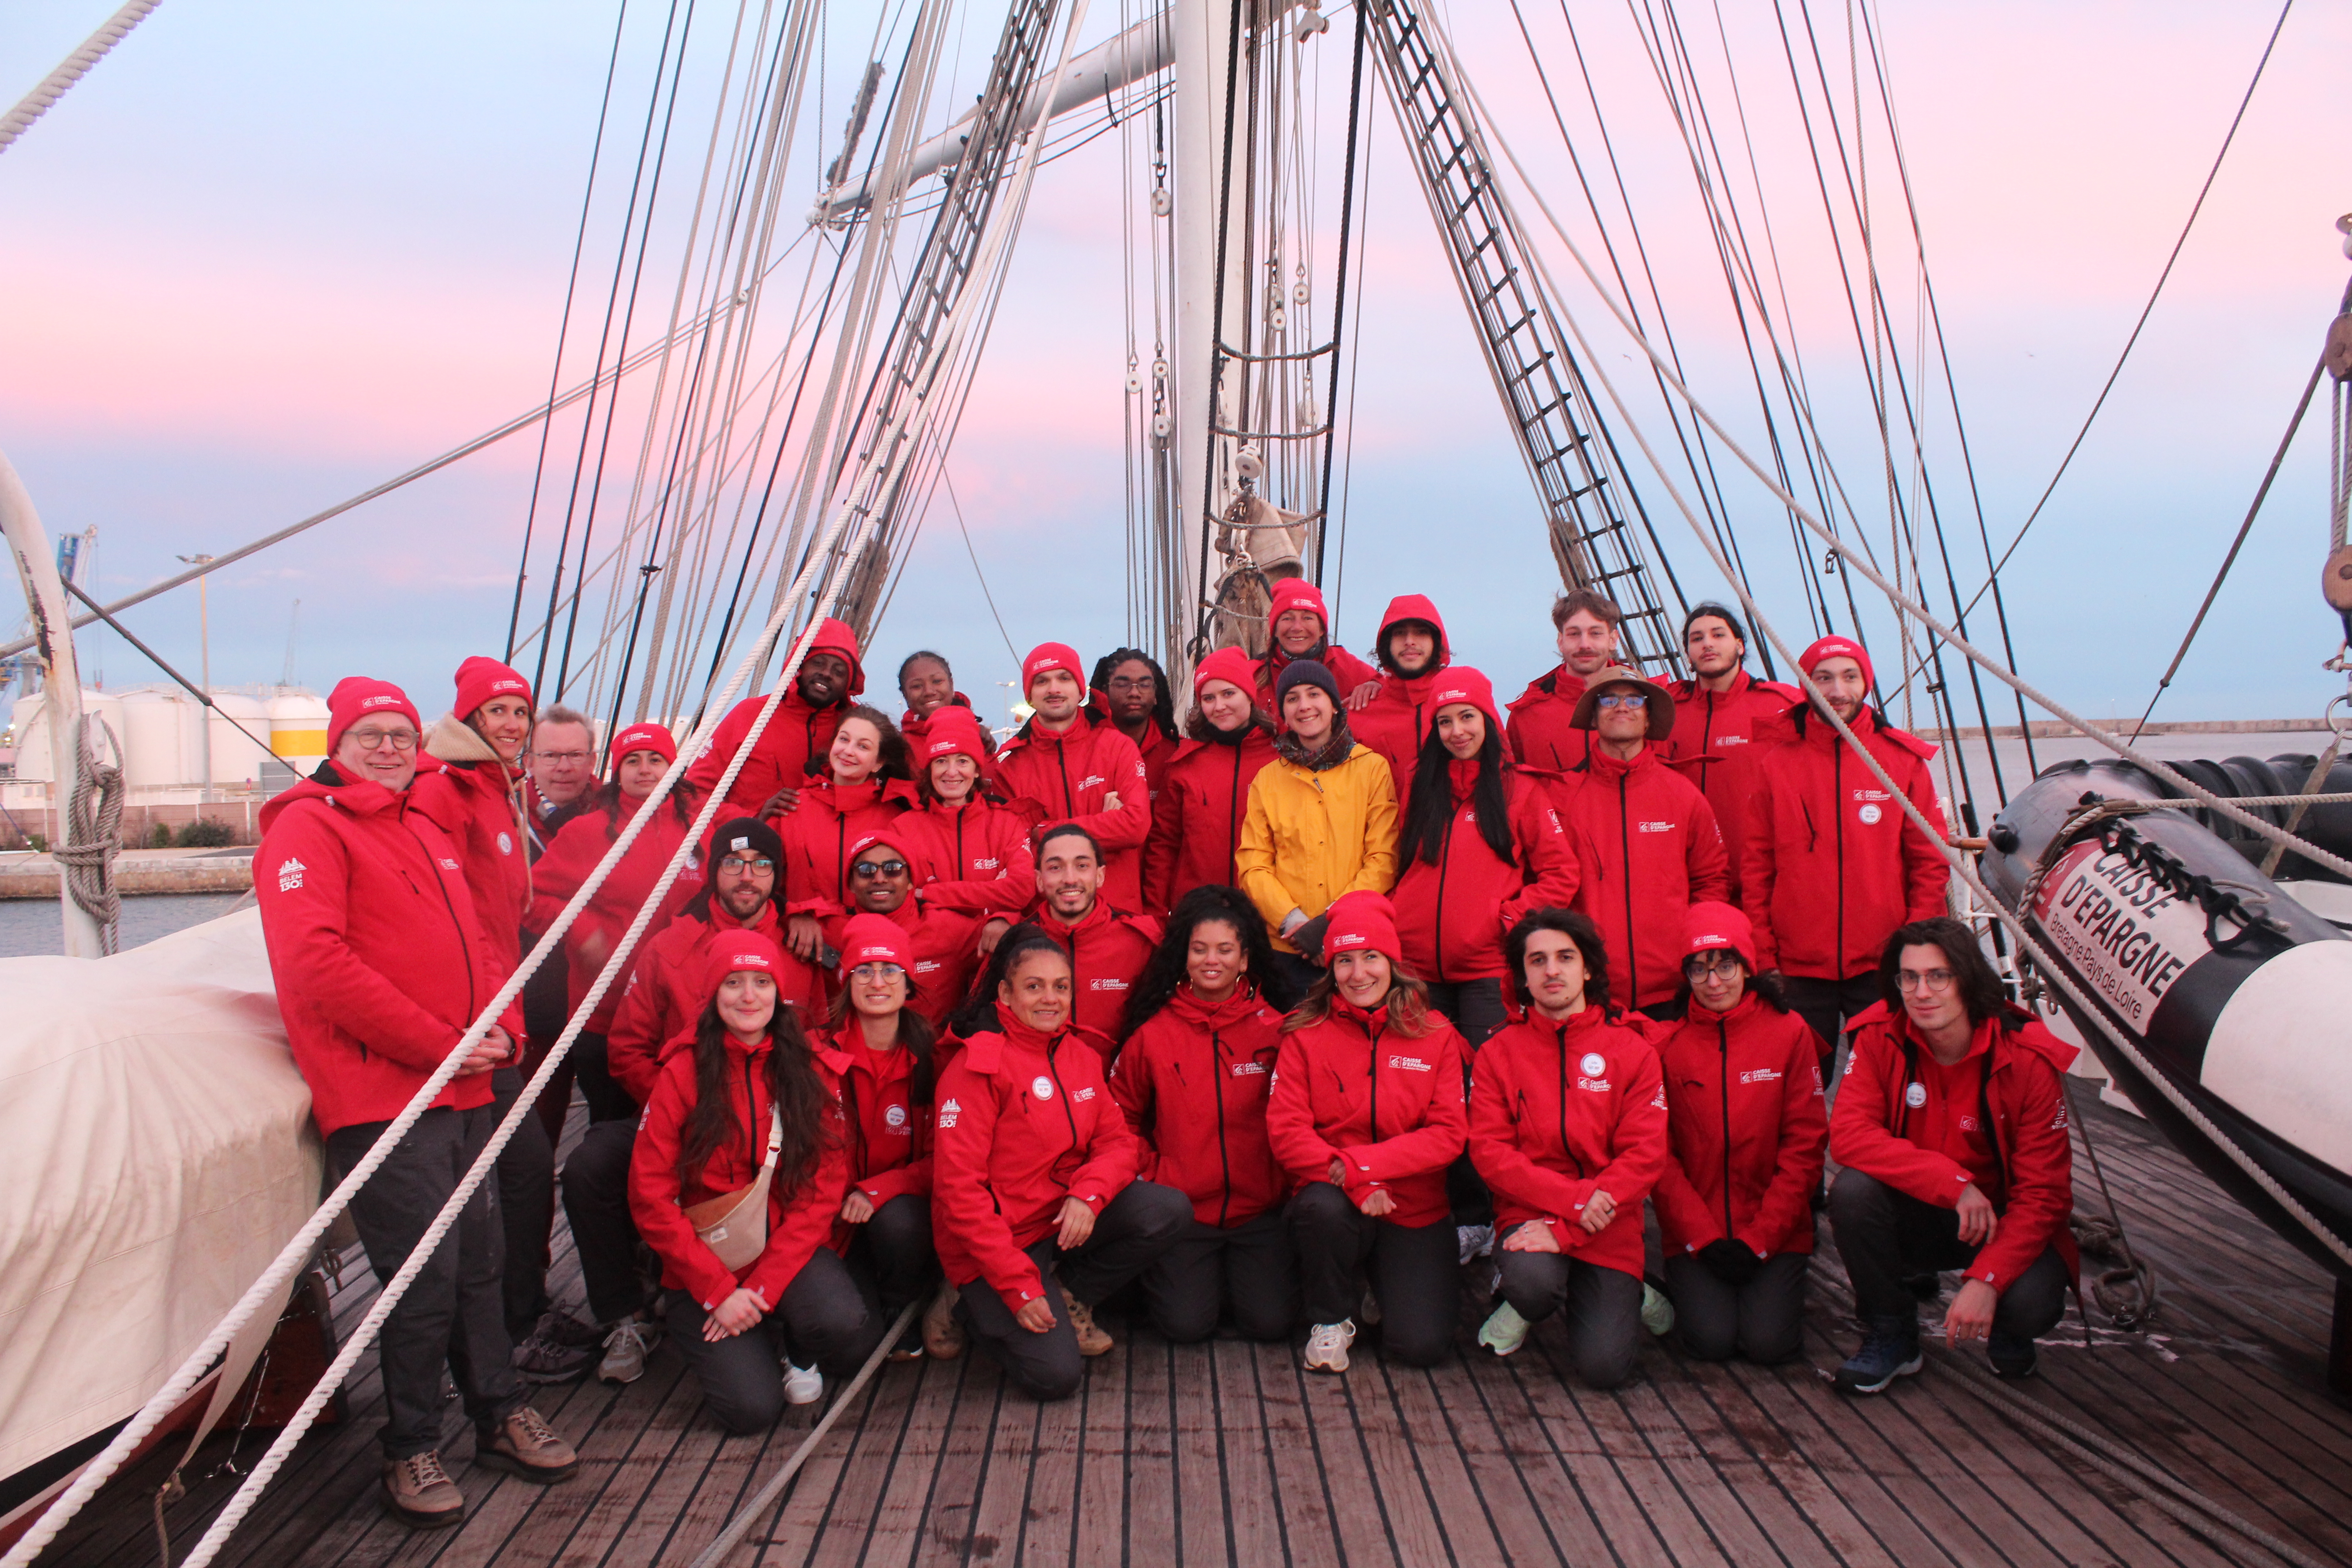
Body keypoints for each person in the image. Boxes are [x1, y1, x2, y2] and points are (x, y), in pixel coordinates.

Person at [255, 677, 575, 1527]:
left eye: (402, 732)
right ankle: (410, 1447)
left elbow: (480, 937)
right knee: (418, 1278)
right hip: (386, 1094)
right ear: (337, 740)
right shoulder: (306, 829)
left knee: (481, 1259)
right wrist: (442, 1044)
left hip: (466, 1077)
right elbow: (316, 965)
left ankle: (496, 1411)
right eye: (370, 734)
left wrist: (503, 1026)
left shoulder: (420, 825)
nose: (391, 747)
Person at [568, 816, 814, 1386]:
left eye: (761, 865)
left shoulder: (806, 946)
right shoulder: (668, 948)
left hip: (777, 1122)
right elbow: (627, 1050)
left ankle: (796, 1310)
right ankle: (627, 1315)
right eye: (733, 864)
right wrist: (687, 1112)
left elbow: (820, 1042)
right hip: (682, 1117)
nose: (747, 876)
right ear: (713, 872)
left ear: (777, 876)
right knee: (590, 1168)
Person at [410, 658, 587, 1384]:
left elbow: (508, 910)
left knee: (517, 1174)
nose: (512, 724)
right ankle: (497, 1337)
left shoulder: (493, 789)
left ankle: (519, 1313)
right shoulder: (441, 791)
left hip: (497, 1016)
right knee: (490, 1185)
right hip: (464, 1023)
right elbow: (447, 916)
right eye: (499, 712)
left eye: (520, 711)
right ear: (469, 718)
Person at [628, 931, 886, 1430]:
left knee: (848, 1333)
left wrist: (764, 1287)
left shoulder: (807, 1068)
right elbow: (649, 1196)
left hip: (781, 1251)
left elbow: (822, 1192)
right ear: (713, 992)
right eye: (734, 982)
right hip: (704, 1261)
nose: (749, 996)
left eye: (762, 982)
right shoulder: (682, 1071)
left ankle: (785, 1333)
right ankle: (748, 1332)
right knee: (750, 1411)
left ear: (778, 992)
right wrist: (718, 1292)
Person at [931, 928, 1191, 1400]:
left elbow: (1117, 1142)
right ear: (1006, 994)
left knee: (1166, 1210)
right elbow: (958, 1193)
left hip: (1060, 1220)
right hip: (999, 1242)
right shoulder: (976, 1068)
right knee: (1055, 1377)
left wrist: (1089, 1196)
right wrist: (1016, 1286)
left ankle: (1067, 1291)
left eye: (1061, 986)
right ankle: (965, 1302)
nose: (1050, 998)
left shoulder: (1079, 1054)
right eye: (1034, 987)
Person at [1828, 919, 2078, 1394]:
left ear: (1968, 978)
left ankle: (2006, 1324)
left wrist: (1988, 1279)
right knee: (1853, 1193)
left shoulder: (2026, 1059)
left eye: (1938, 976)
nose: (1922, 992)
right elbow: (1848, 1135)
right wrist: (1954, 1183)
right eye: (1910, 978)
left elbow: (2045, 1195)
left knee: (2031, 1304)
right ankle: (1892, 1332)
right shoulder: (1880, 1037)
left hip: (2002, 1220)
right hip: (1926, 1212)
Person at [1267, 892, 1468, 1372]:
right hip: (1336, 1197)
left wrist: (1365, 1166)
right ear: (1330, 968)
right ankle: (1331, 1318)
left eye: (1371, 957)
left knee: (1421, 1347)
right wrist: (1358, 1181)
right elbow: (1287, 1131)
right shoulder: (1305, 1033)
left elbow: (1448, 1134)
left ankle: (1382, 1286)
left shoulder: (1436, 1033)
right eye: (1345, 961)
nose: (1359, 975)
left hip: (1412, 1206)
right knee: (1321, 1209)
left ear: (1392, 962)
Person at [1466, 910, 1666, 1388]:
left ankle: (1631, 1294)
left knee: (1604, 1370)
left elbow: (1644, 1156)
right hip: (1529, 1215)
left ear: (1588, 969)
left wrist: (1567, 1229)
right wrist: (1570, 1204)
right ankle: (1540, 1296)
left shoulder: (1632, 1051)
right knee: (1533, 1284)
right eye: (1538, 961)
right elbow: (1490, 1153)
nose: (1552, 971)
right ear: (1524, 976)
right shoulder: (1498, 1052)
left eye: (1565, 958)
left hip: (1610, 1220)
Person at [1741, 634, 1950, 1062]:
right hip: (1797, 969)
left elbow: (1929, 862)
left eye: (1849, 677)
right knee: (1800, 1095)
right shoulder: (1776, 765)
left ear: (1866, 682)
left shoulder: (1901, 762)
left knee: (1890, 1085)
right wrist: (1763, 956)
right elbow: (1757, 868)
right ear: (1807, 685)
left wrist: (1914, 950)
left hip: (1882, 965)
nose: (1837, 690)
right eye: (1824, 678)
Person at [1109, 887, 1297, 1343]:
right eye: (1199, 949)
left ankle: (1241, 1283)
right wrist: (1155, 1173)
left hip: (1260, 1212)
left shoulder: (1275, 1030)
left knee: (1270, 1325)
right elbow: (1117, 1119)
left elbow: (1302, 1117)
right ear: (1184, 956)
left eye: (1224, 950)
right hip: (1187, 1214)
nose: (1211, 960)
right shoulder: (1153, 1035)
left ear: (1245, 959)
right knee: (1184, 1326)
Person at [1646, 903, 1827, 1366]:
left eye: (1725, 965)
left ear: (1747, 967)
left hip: (1775, 1231)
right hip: (1697, 1232)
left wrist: (1761, 1239)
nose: (1713, 982)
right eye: (1699, 968)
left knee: (1771, 1345)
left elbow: (1805, 1147)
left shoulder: (1790, 1033)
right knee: (1711, 1342)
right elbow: (1660, 1157)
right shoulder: (1668, 1045)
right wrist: (1700, 1237)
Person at [1392, 665, 1578, 1046]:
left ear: (1487, 719)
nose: (1457, 732)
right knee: (1425, 1083)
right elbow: (1398, 862)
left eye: (1467, 717)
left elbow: (1562, 873)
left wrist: (1505, 918)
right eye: (1444, 722)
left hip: (1487, 970)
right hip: (1415, 968)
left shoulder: (1521, 789)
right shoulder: (1419, 783)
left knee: (1487, 1079)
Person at [528, 722, 700, 1124]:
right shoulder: (586, 833)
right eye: (633, 761)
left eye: (656, 760)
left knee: (683, 1131)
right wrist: (583, 930)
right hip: (605, 1017)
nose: (645, 770)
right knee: (613, 1132)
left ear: (673, 766)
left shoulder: (704, 824)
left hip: (683, 1016)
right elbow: (531, 899)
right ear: (616, 771)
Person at [1558, 666, 1729, 1014]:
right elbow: (1548, 889)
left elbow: (1711, 882)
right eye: (1609, 699)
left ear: (1649, 719)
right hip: (1588, 991)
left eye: (1634, 699)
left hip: (1675, 991)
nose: (1622, 707)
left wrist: (1695, 953)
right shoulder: (1561, 797)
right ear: (1594, 715)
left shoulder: (1684, 795)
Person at [818, 912, 944, 1359]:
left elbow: (945, 1160)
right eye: (864, 971)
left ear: (909, 983)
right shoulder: (817, 1057)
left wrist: (880, 1190)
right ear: (846, 981)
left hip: (902, 1222)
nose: (878, 981)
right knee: (848, 1349)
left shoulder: (932, 1058)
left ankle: (901, 1303)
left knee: (900, 1221)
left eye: (891, 970)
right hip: (833, 1219)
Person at [1235, 659, 1400, 1001]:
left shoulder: (1371, 769)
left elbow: (1383, 859)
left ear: (1333, 704)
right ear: (1283, 711)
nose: (1305, 706)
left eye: (1314, 694)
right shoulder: (1268, 779)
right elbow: (1253, 864)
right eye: (1292, 698)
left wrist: (1330, 923)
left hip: (1355, 945)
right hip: (1286, 947)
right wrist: (1294, 923)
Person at [992, 642, 1153, 911]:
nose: (1054, 689)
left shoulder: (1117, 747)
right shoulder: (1009, 768)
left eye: (1064, 678)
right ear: (1030, 695)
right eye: (1042, 681)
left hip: (1116, 917)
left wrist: (1045, 831)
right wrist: (1105, 825)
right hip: (1044, 923)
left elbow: (1136, 827)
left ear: (1080, 690)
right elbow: (1015, 856)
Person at [1662, 603, 1800, 901]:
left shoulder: (1781, 707)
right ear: (1688, 653)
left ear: (1739, 646)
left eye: (1718, 635)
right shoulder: (1666, 712)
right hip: (1691, 886)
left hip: (1765, 884)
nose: (1707, 643)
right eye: (1696, 639)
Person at [984, 823, 1159, 1058]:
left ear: (1100, 876)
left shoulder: (1141, 940)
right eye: (1055, 868)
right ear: (1039, 880)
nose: (1070, 879)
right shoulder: (1017, 943)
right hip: (1039, 1087)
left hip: (1119, 1086)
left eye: (1082, 866)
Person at [771, 703, 915, 961]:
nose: (848, 751)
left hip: (870, 958)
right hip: (801, 953)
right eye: (844, 740)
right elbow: (765, 880)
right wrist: (795, 912)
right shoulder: (793, 807)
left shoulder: (897, 819)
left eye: (863, 746)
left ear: (878, 763)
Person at [685, 616, 864, 823]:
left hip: (827, 851)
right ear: (800, 665)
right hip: (750, 850)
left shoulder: (859, 728)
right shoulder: (751, 715)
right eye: (818, 663)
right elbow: (692, 794)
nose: (826, 674)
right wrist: (753, 818)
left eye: (839, 671)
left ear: (849, 683)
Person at [1142, 645, 1277, 914]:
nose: (1220, 706)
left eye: (1229, 694)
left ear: (1250, 695)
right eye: (1208, 698)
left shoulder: (1281, 759)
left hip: (1268, 916)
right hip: (1199, 914)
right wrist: (1157, 916)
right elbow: (1164, 846)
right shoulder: (1185, 765)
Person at [519, 703, 600, 1145]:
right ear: (529, 761)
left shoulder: (621, 817)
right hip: (536, 1010)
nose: (564, 767)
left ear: (592, 760)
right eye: (551, 756)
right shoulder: (505, 819)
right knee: (533, 1148)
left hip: (606, 1009)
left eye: (575, 755)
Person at [822, 828, 982, 1032]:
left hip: (933, 1059)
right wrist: (796, 916)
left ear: (910, 881)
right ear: (851, 883)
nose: (879, 878)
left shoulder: (948, 929)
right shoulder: (827, 932)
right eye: (866, 870)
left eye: (893, 868)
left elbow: (1013, 944)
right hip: (855, 1058)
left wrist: (1003, 919)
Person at [901, 706, 1035, 920]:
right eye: (941, 761)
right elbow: (900, 899)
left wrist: (927, 893)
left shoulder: (1007, 823)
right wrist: (992, 892)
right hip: (935, 949)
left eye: (962, 761)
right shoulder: (903, 829)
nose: (952, 772)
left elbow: (1021, 891)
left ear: (976, 770)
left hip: (992, 949)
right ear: (930, 769)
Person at [1348, 594, 1454, 806]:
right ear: (1386, 644)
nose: (1410, 641)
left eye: (1421, 632)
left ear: (1437, 641)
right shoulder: (1360, 712)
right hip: (1383, 836)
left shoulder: (1462, 701)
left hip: (1454, 834)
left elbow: (1501, 773)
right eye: (1400, 633)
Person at [1506, 589, 1623, 774]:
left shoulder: (1644, 706)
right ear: (1561, 641)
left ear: (1613, 640)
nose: (1585, 644)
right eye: (1574, 634)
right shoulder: (1526, 717)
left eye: (1596, 633)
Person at [1252, 578, 1379, 719]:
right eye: (1287, 619)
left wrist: (1375, 685)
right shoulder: (1254, 674)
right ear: (1274, 630)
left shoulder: (1345, 666)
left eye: (1307, 618)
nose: (1297, 628)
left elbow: (1394, 691)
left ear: (1322, 630)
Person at [1091, 647, 1180, 802]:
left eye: (1144, 685)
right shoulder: (1085, 750)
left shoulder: (1177, 754)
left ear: (1156, 695)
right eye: (1122, 684)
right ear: (1105, 692)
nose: (1134, 693)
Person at [897, 648, 994, 762]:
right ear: (905, 694)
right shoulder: (898, 749)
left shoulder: (980, 738)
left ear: (951, 684)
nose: (929, 691)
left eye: (937, 681)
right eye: (917, 686)